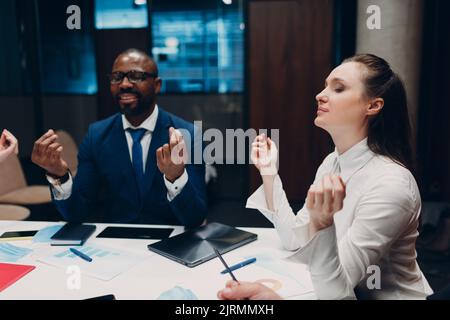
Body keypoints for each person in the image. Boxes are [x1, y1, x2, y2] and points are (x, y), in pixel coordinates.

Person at [218, 54, 433, 300]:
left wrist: (322, 226)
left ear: (373, 106)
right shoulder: (333, 162)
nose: (320, 94)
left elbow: (337, 292)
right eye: (326, 85)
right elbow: (295, 238)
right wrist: (269, 173)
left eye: (338, 88)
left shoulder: (391, 185)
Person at [31, 49, 207, 227]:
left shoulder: (188, 134)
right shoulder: (97, 135)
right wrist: (59, 175)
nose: (124, 84)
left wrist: (175, 177)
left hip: (171, 243)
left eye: (135, 76)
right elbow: (77, 212)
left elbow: (195, 218)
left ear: (157, 85)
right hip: (116, 244)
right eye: (117, 77)